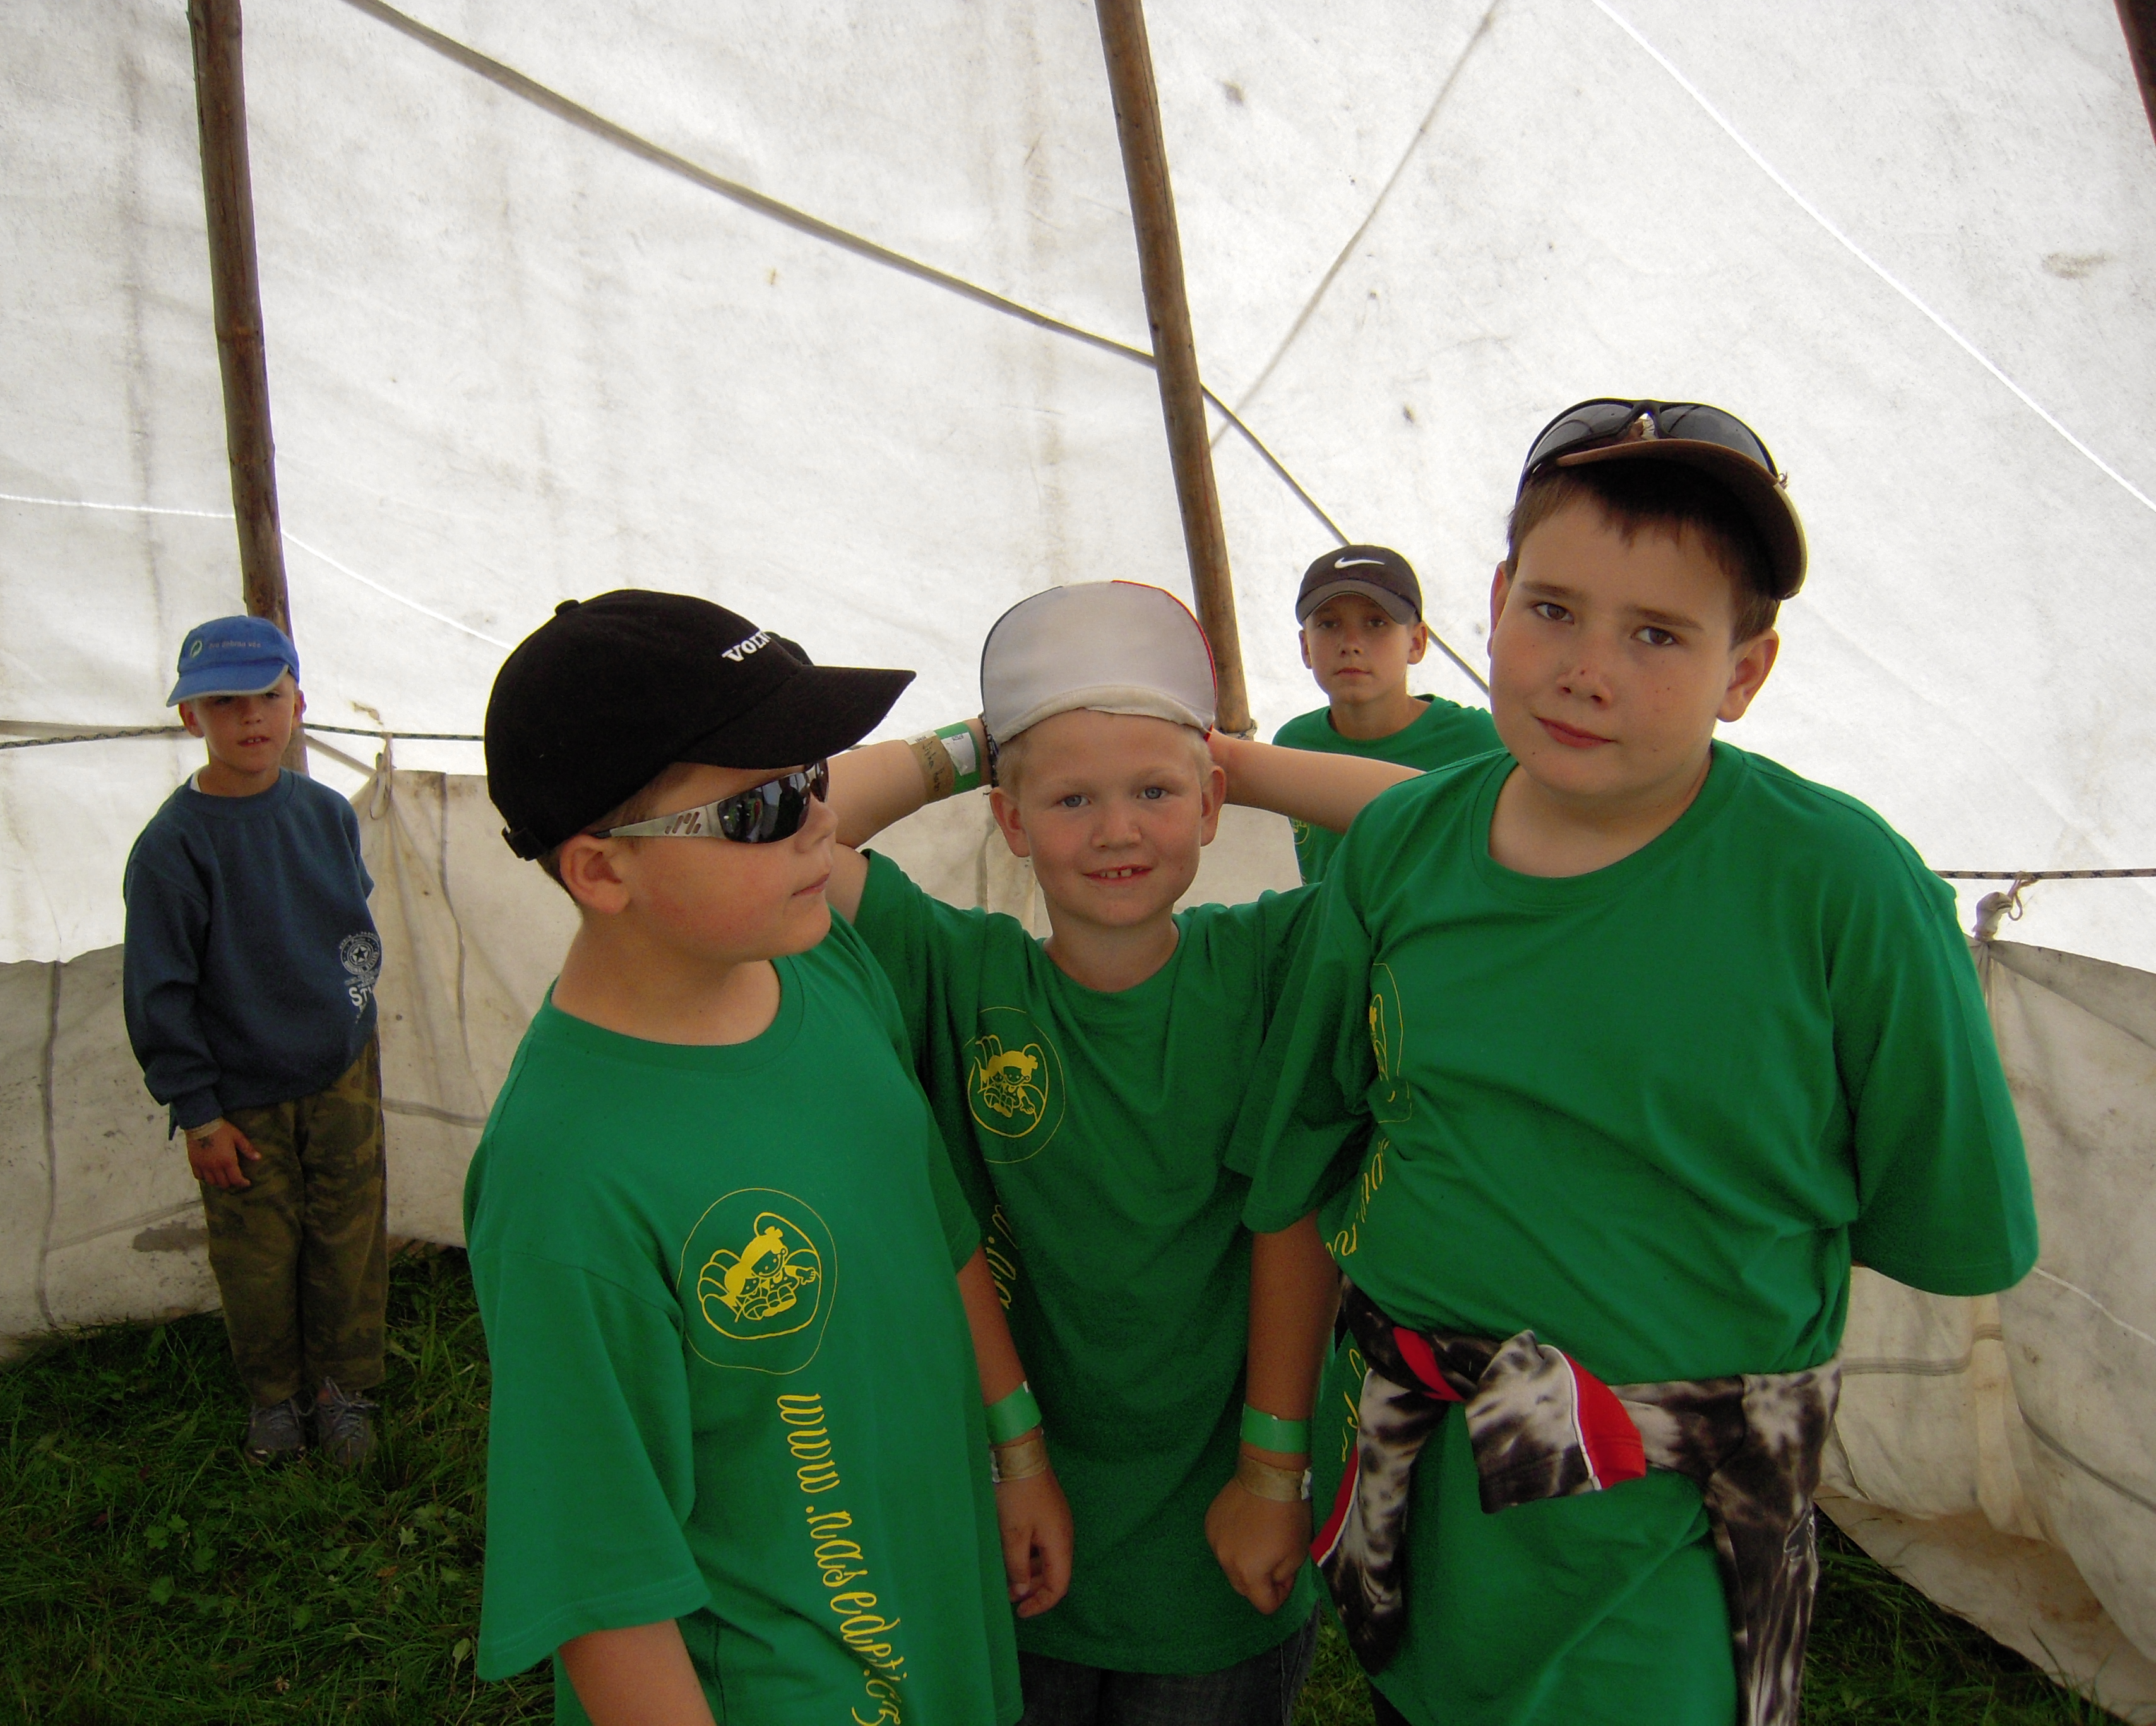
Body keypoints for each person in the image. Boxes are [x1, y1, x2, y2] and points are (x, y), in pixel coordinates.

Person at [1232, 400, 2040, 1726]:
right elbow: (1307, 1153)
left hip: (1666, 1547)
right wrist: (1273, 1464)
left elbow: (1946, 1221)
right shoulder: (1399, 850)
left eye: (1657, 633)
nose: (1584, 670)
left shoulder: (1841, 887)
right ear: (1494, 601)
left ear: (1745, 671)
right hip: (1423, 1504)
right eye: (1552, 610)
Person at [463, 590, 1069, 1726]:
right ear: (601, 872)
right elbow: (602, 1591)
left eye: (817, 778)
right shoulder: (566, 1181)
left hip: (941, 1601)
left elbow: (931, 1221)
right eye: (762, 808)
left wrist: (1017, 1446)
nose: (819, 825)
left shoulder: (817, 962)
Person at [821, 581, 1415, 1725]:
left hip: (1219, 1548)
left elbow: (1457, 817)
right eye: (1069, 798)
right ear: (1009, 823)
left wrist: (1220, 751)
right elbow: (783, 820)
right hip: (1019, 1530)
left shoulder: (1272, 959)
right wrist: (974, 746)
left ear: (1212, 804)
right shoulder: (962, 974)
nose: (1115, 831)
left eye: (1155, 791)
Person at [121, 615, 386, 1468]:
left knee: (348, 1234)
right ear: (189, 718)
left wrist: (351, 1016)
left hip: (341, 1071)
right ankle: (275, 1401)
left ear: (297, 702)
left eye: (268, 696)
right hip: (241, 1096)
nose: (250, 717)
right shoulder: (172, 848)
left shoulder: (324, 814)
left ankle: (343, 1393)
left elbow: (350, 924)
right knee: (258, 1255)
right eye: (223, 702)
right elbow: (159, 991)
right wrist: (199, 1112)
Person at [1272, 545, 1499, 884]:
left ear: (1417, 643)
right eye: (1329, 624)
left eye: (1376, 622)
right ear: (1306, 647)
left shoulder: (1481, 743)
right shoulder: (1292, 745)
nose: (1351, 644)